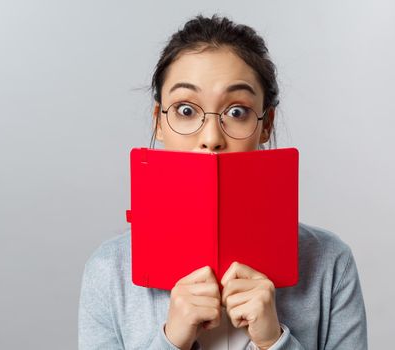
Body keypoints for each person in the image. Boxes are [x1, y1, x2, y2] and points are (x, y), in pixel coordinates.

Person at [78, 14, 368, 350]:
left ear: (266, 124)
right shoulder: (108, 270)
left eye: (237, 111)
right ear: (159, 121)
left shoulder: (330, 262)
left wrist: (274, 342)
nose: (211, 138)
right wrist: (171, 341)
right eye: (186, 110)